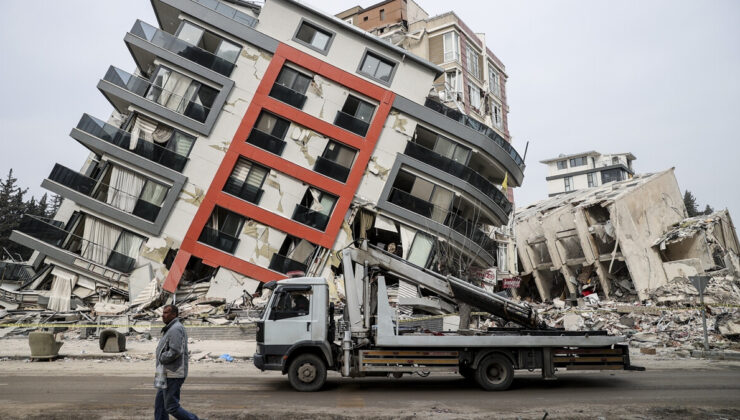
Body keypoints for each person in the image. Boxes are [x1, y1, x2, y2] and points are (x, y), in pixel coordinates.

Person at [155, 304, 200, 420]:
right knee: (160, 404)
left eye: (166, 313)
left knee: (171, 407)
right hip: (165, 373)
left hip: (173, 373)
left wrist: (161, 358)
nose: (162, 315)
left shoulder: (175, 329)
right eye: (163, 312)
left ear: (174, 314)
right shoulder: (171, 328)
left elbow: (175, 351)